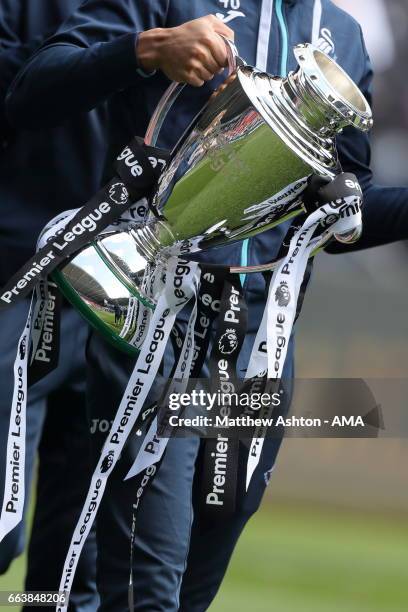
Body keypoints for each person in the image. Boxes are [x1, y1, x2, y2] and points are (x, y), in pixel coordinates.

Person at [6, 1, 408, 611]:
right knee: (146, 590)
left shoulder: (345, 36)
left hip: (257, 342)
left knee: (194, 584)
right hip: (154, 321)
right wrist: (144, 50)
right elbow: (33, 88)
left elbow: (341, 210)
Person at [0, 1, 108, 608]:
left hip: (118, 290)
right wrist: (130, 54)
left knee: (74, 574)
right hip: (13, 276)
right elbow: (19, 92)